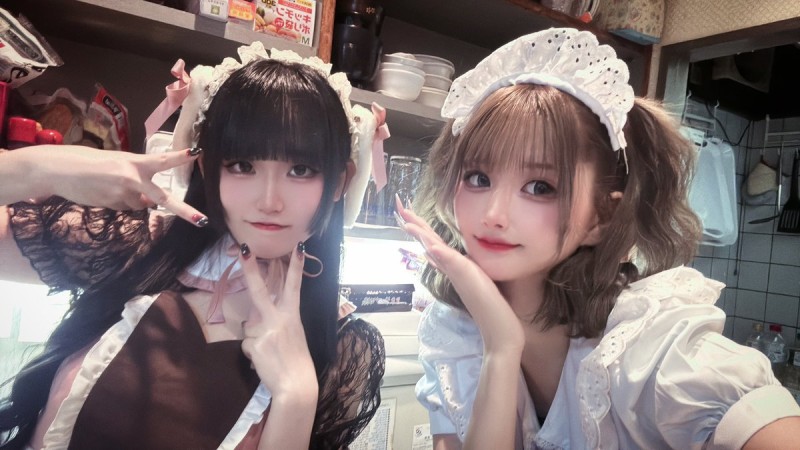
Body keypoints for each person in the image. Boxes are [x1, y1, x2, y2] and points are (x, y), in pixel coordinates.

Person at [395, 28, 800, 449]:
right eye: (478, 178)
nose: (493, 215)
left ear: (602, 217)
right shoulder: (454, 331)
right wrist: (501, 347)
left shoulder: (648, 350)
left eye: (540, 187)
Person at [0, 42, 385, 449]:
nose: (270, 201)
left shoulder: (344, 346)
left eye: (301, 169)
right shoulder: (138, 244)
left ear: (339, 182)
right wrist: (39, 168)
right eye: (243, 165)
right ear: (206, 168)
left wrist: (297, 397)